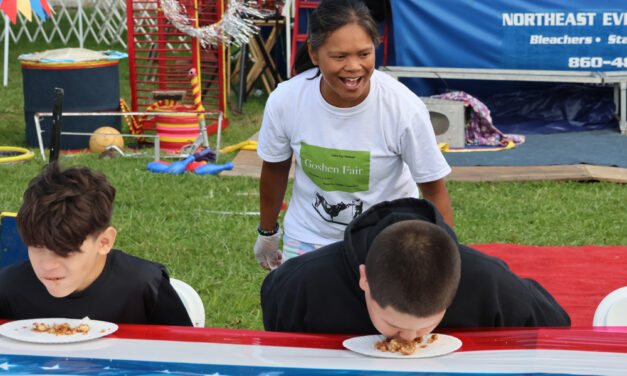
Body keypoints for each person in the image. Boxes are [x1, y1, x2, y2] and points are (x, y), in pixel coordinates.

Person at [254, 0, 453, 269]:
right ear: (314, 54)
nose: (354, 67)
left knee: (379, 313)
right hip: (309, 239)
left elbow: (433, 189)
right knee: (304, 310)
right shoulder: (286, 101)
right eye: (340, 57)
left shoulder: (403, 107)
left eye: (364, 54)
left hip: (387, 240)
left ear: (376, 47)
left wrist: (447, 259)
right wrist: (267, 233)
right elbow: (275, 169)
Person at [261, 198, 571, 335]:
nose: (408, 340)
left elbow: (556, 329)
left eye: (425, 328)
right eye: (393, 326)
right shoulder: (303, 284)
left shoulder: (488, 282)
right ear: (364, 279)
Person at [0, 162, 193, 326]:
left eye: (66, 251)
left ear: (104, 242)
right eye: (38, 246)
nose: (48, 265)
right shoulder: (7, 288)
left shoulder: (145, 287)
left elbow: (185, 354)